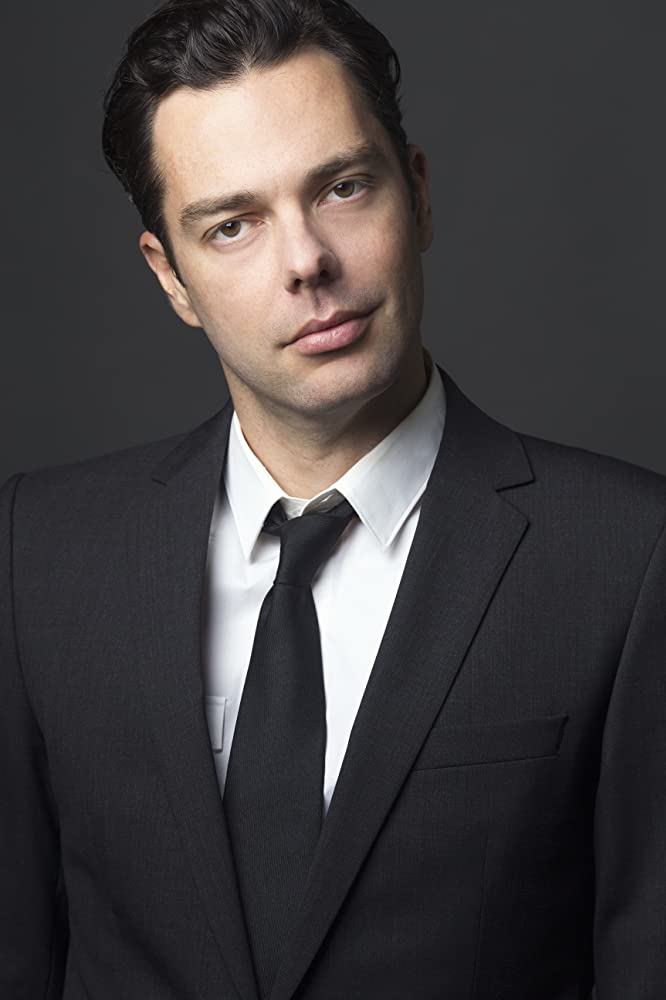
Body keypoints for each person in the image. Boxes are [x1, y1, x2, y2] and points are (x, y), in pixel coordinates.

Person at [1, 0, 665, 996]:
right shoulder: (36, 554)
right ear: (171, 277)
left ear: (419, 194)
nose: (306, 260)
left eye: (344, 187)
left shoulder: (631, 557)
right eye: (232, 225)